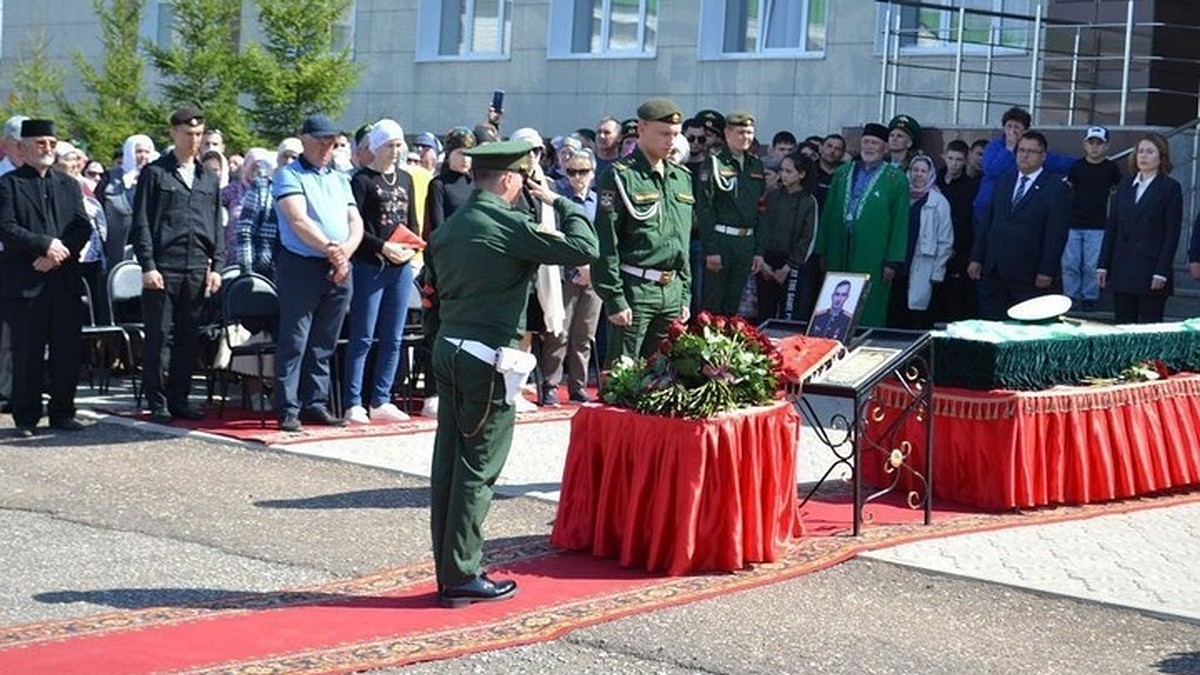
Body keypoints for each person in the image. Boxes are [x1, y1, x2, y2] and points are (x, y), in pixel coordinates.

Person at [424, 139, 598, 607]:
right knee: (479, 467)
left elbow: (433, 295)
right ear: (507, 179)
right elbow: (585, 247)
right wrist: (559, 200)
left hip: (449, 348)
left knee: (450, 463)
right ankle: (461, 574)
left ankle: (449, 567)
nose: (525, 187)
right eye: (522, 179)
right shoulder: (506, 223)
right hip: (486, 355)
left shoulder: (453, 226)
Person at [0, 118, 93, 437]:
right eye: (40, 144)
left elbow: (83, 226)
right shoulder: (8, 184)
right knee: (27, 351)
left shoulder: (68, 184)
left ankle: (63, 412)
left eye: (52, 144)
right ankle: (26, 417)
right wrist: (42, 246)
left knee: (66, 350)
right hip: (26, 280)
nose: (48, 150)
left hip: (62, 278)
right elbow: (8, 228)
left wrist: (58, 252)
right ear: (24, 148)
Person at [131, 107, 224, 422]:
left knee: (188, 336)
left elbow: (216, 226)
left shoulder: (207, 177)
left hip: (197, 266)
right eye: (188, 134)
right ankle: (157, 400)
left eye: (199, 134)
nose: (194, 140)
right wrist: (147, 265)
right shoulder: (155, 173)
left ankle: (179, 397)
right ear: (173, 133)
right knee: (159, 337)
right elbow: (141, 223)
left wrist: (217, 267)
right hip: (164, 266)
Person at [272, 114, 364, 432]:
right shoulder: (288, 175)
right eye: (322, 141)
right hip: (302, 265)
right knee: (295, 339)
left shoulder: (340, 178)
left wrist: (345, 253)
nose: (328, 147)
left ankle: (315, 402)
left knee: (325, 340)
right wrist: (332, 249)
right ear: (305, 140)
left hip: (337, 266)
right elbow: (298, 220)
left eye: (332, 142)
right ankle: (287, 406)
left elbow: (356, 221)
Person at [593, 98, 694, 366]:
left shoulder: (681, 177)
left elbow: (681, 242)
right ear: (642, 128)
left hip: (671, 289)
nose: (670, 141)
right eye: (664, 134)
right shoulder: (620, 176)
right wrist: (614, 297)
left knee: (661, 376)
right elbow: (606, 241)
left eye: (675, 134)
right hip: (635, 289)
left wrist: (684, 293)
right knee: (622, 375)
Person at [342, 119, 419, 424]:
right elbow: (356, 226)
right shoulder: (361, 180)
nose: (395, 150)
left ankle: (381, 398)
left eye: (399, 144)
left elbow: (412, 220)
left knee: (393, 336)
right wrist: (383, 247)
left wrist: (411, 247)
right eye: (390, 144)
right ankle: (353, 401)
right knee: (363, 336)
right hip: (370, 265)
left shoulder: (406, 179)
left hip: (400, 266)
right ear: (376, 147)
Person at [968, 131, 1071, 319]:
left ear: (1043, 156)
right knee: (992, 323)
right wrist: (977, 257)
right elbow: (988, 222)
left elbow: (1055, 234)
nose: (1024, 155)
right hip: (995, 269)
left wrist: (1046, 270)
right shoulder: (1004, 181)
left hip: (1029, 274)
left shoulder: (1056, 187)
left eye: (1032, 151)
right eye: (1021, 150)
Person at [815, 123, 908, 327]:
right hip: (840, 248)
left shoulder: (896, 179)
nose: (869, 147)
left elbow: (900, 222)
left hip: (874, 254)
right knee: (835, 298)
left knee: (869, 303)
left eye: (875, 143)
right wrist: (822, 249)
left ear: (884, 148)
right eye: (866, 142)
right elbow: (829, 212)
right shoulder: (842, 173)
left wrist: (892, 261)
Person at [539, 148, 603, 406]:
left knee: (585, 334)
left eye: (583, 172)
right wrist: (575, 268)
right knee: (559, 333)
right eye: (573, 172)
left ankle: (578, 385)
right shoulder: (561, 201)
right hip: (567, 274)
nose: (578, 177)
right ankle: (550, 385)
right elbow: (556, 237)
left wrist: (592, 269)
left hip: (594, 275)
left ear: (592, 173)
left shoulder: (599, 201)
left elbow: (605, 241)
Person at [1097, 133, 1182, 324]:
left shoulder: (1170, 188)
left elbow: (1172, 233)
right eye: (1140, 151)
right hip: (1122, 266)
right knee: (1123, 326)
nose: (1143, 156)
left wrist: (1162, 271)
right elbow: (1112, 228)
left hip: (1151, 268)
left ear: (1161, 157)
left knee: (1150, 327)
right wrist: (1103, 264)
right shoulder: (1124, 186)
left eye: (1150, 152)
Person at [697, 110, 764, 315]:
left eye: (750, 132)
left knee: (733, 304)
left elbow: (761, 209)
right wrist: (711, 249)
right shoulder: (715, 162)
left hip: (746, 243)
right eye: (741, 132)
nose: (746, 137)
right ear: (727, 133)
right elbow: (705, 208)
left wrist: (759, 251)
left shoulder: (756, 164)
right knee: (713, 304)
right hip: (721, 239)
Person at [886, 154, 953, 330]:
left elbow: (945, 240)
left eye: (923, 171)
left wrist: (938, 271)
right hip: (898, 262)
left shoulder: (938, 201)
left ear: (930, 173)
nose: (918, 174)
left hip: (923, 264)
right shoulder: (899, 196)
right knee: (894, 311)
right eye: (915, 170)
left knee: (917, 314)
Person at [1063, 126, 1122, 311]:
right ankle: (1070, 297)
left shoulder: (1112, 168)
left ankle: (1090, 297)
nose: (1094, 147)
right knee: (1070, 263)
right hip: (1073, 222)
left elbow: (1117, 190)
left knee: (1092, 265)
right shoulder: (1076, 166)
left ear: (1107, 146)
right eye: (1091, 143)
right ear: (1084, 145)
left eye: (1099, 143)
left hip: (1098, 224)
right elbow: (1068, 188)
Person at [757, 152, 817, 321]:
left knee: (789, 313)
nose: (783, 175)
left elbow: (808, 237)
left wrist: (789, 266)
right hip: (768, 261)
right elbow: (761, 228)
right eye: (782, 170)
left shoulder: (808, 201)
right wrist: (761, 260)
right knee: (765, 311)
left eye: (789, 171)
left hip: (791, 264)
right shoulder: (772, 196)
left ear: (802, 174)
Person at [932, 139, 981, 322]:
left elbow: (968, 223)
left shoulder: (971, 187)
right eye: (951, 158)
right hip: (931, 248)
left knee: (954, 301)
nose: (954, 163)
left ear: (966, 160)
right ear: (944, 157)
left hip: (959, 251)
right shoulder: (933, 181)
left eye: (958, 159)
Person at [103, 134, 156, 268]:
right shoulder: (111, 177)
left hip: (149, 240)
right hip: (118, 242)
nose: (143, 156)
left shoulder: (158, 177)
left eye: (146, 151)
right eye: (138, 151)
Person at [424, 126, 476, 238]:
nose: (465, 159)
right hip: (450, 245)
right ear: (449, 155)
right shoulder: (439, 184)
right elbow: (438, 225)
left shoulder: (475, 183)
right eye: (460, 153)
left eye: (469, 154)